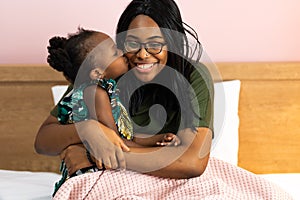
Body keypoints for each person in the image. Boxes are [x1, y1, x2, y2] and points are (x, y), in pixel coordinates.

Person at [34, 0, 213, 183]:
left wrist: (92, 156)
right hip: (108, 181)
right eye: (132, 43)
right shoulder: (99, 74)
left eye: (155, 44)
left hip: (165, 181)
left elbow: (192, 162)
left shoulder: (192, 75)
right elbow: (43, 141)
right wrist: (86, 129)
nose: (142, 55)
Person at [46, 28, 182, 194]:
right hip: (91, 177)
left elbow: (123, 137)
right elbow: (116, 144)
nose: (121, 52)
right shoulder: (95, 93)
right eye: (114, 52)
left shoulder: (105, 91)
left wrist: (157, 139)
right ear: (97, 73)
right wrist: (158, 151)